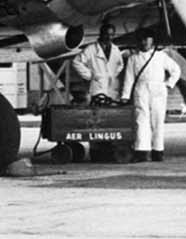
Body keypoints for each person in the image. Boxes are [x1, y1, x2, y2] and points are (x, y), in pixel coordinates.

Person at [122, 31, 180, 162]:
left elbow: (176, 70)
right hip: (141, 89)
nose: (144, 42)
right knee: (141, 119)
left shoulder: (161, 56)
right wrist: (125, 95)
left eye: (147, 39)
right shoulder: (133, 58)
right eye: (142, 40)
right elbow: (129, 78)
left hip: (158, 89)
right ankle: (142, 151)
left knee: (158, 120)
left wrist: (168, 84)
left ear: (152, 40)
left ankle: (158, 151)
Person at [72, 23, 125, 104]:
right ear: (101, 34)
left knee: (113, 113)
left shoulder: (115, 49)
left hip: (112, 88)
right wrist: (90, 75)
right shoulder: (91, 49)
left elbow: (120, 64)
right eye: (106, 34)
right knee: (99, 112)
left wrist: (113, 74)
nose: (109, 37)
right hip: (97, 88)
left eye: (111, 35)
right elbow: (76, 62)